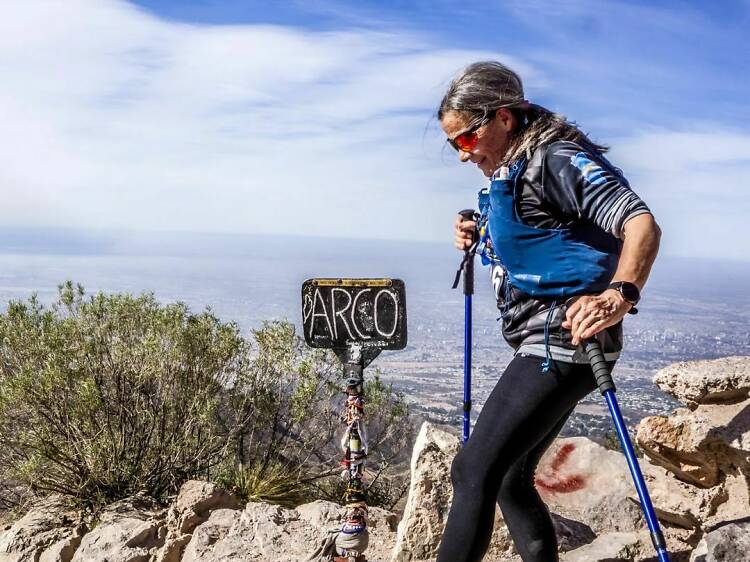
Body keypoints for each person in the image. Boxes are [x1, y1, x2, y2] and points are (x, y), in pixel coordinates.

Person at [435, 61, 661, 562]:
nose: (461, 155)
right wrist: (477, 227)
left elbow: (640, 222)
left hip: (564, 336)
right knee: (511, 479)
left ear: (503, 118)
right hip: (550, 340)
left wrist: (617, 295)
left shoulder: (555, 159)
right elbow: (539, 229)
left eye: (466, 140)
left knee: (472, 471)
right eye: (453, 145)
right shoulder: (515, 171)